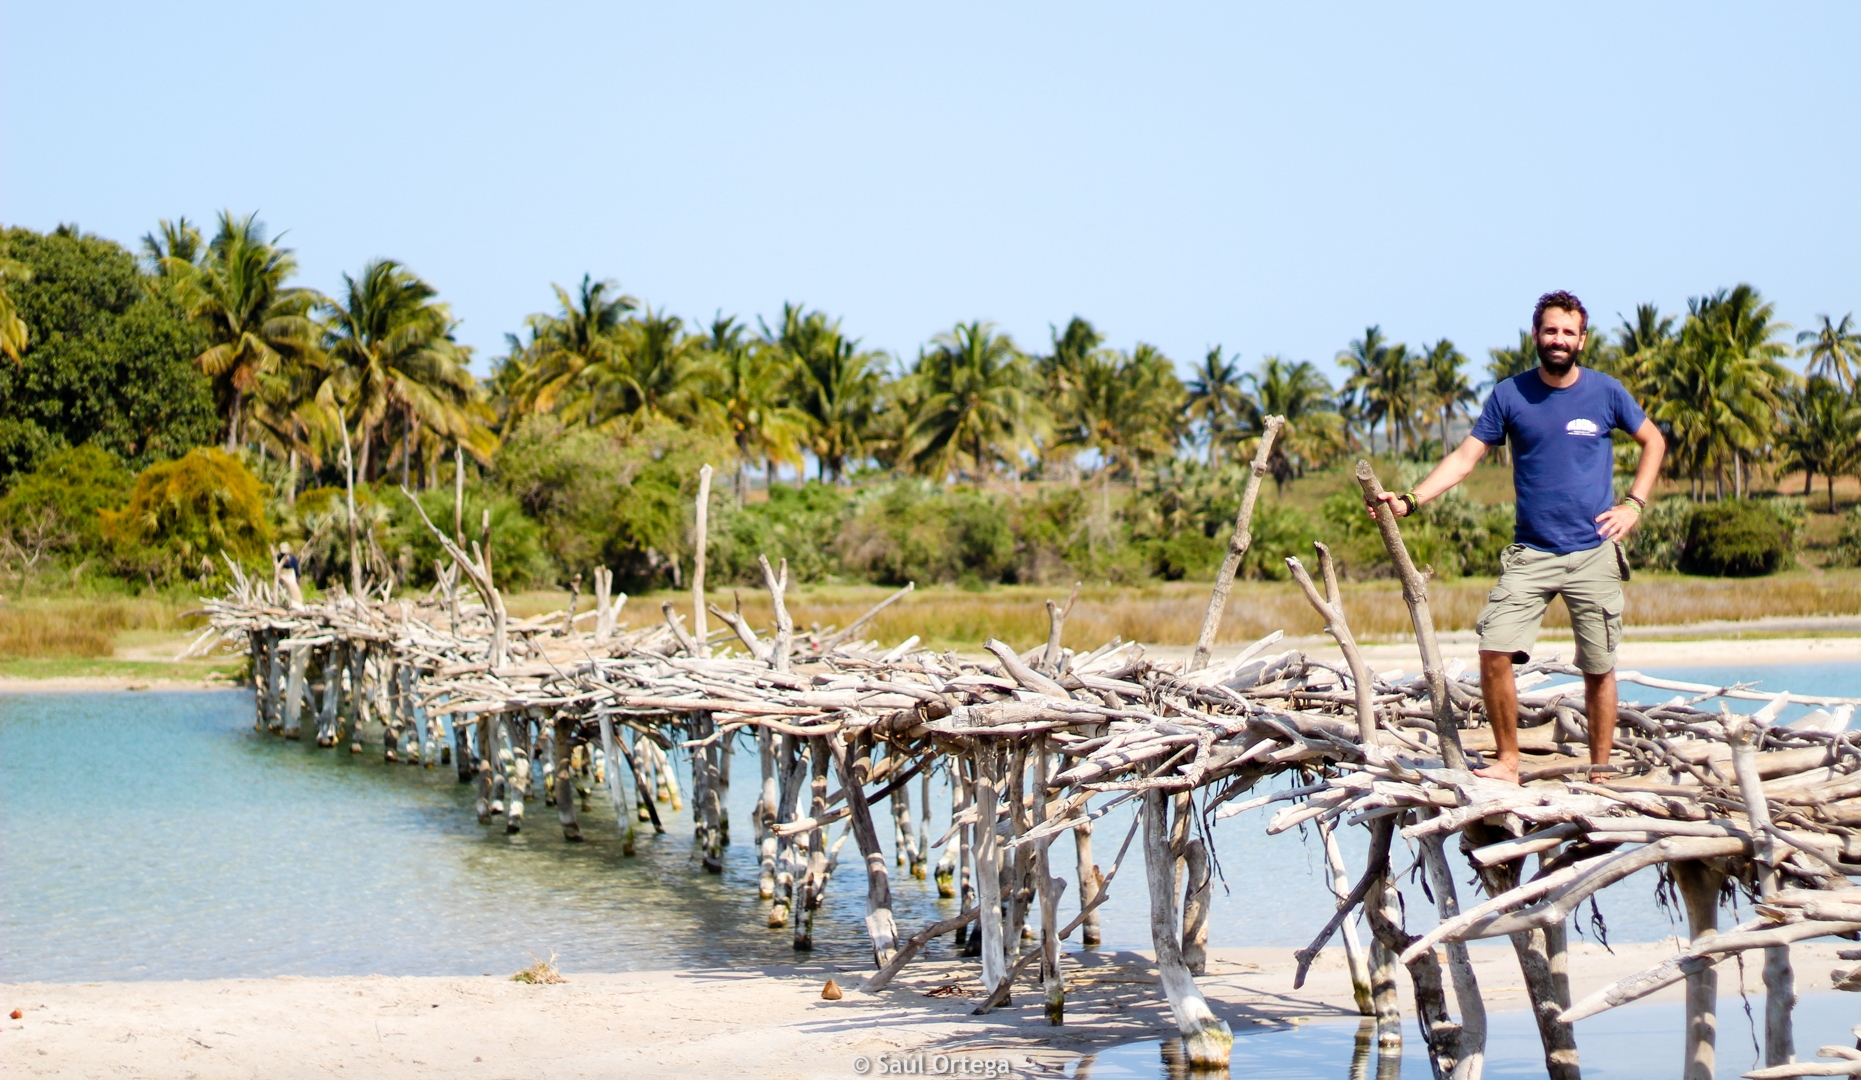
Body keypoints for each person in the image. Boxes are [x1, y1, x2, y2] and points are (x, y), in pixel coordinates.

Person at [1368, 290, 1665, 784]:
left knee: (1598, 665)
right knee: (1494, 648)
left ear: (1582, 340)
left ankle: (1600, 769)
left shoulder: (1607, 392)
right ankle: (1508, 762)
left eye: (1568, 332)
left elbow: (1653, 440)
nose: (1559, 339)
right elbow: (1464, 460)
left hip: (1594, 552)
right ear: (1536, 335)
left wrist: (1633, 505)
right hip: (1531, 553)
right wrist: (1410, 500)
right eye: (1550, 330)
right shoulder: (1510, 395)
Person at [277, 542, 304, 608]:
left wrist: (298, 582)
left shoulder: (293, 559)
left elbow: (297, 572)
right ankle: (282, 604)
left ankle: (293, 605)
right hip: (281, 577)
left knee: (292, 593)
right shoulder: (278, 557)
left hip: (290, 577)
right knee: (281, 592)